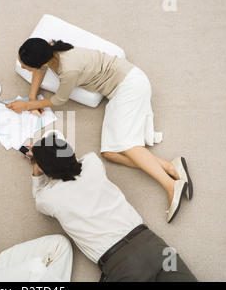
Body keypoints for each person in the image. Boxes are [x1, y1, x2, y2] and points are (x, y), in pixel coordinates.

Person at [10, 38, 193, 222]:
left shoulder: (69, 69)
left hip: (129, 85)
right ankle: (170, 166)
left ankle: (170, 185)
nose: (22, 68)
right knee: (110, 153)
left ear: (42, 61)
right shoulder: (47, 51)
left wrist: (27, 106)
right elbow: (40, 68)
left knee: (127, 145)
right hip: (116, 92)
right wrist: (31, 98)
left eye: (25, 67)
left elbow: (59, 99)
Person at [23, 136, 197, 282]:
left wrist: (38, 168)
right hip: (155, 247)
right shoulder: (92, 162)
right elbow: (73, 161)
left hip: (122, 266)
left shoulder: (49, 198)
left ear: (47, 171)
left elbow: (38, 194)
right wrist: (47, 154)